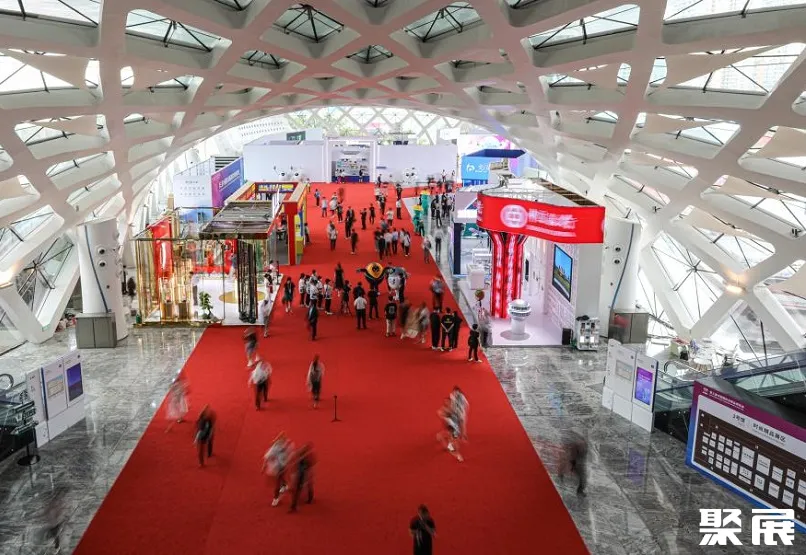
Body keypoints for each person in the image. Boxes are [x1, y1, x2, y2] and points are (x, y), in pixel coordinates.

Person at [264, 432, 293, 507]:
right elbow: (269, 455)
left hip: (282, 467)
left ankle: (275, 498)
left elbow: (289, 456)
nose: (280, 441)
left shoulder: (288, 446)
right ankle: (284, 485)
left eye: (282, 439)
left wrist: (286, 464)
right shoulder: (276, 446)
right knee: (280, 478)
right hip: (277, 466)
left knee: (277, 483)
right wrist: (264, 465)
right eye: (280, 439)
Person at [289, 443, 316, 513]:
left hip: (303, 475)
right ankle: (294, 505)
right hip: (300, 475)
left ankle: (308, 499)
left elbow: (310, 465)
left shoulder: (307, 456)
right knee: (299, 489)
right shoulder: (301, 454)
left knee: (304, 487)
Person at [436, 398, 463, 462]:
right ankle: (456, 453)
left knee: (454, 442)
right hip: (449, 429)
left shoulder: (453, 410)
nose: (448, 403)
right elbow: (439, 413)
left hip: (454, 429)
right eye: (446, 402)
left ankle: (457, 454)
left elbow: (458, 419)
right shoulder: (444, 410)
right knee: (443, 438)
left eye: (449, 402)